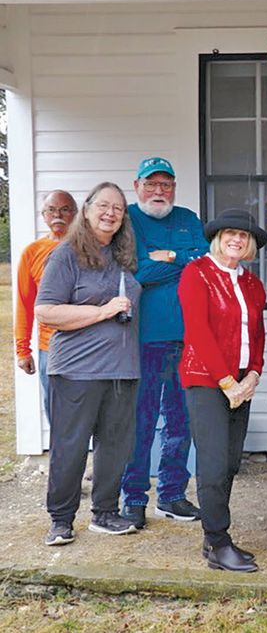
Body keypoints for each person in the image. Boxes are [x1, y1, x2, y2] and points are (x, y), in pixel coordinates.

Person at [35, 182, 143, 545]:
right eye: (103, 206)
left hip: (123, 369)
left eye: (118, 208)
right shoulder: (66, 255)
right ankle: (61, 520)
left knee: (114, 446)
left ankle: (105, 513)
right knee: (71, 446)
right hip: (77, 370)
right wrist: (101, 311)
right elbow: (46, 310)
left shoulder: (124, 256)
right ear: (87, 209)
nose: (110, 213)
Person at [120, 156, 208, 530]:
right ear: (137, 186)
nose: (159, 191)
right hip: (142, 338)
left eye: (166, 184)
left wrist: (167, 257)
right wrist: (178, 262)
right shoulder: (126, 219)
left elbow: (205, 263)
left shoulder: (187, 219)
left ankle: (172, 495)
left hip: (189, 338)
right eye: (151, 184)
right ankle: (134, 496)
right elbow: (133, 269)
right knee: (139, 420)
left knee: (180, 419)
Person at [179, 209, 267, 572]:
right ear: (218, 237)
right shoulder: (196, 274)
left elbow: (258, 333)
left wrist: (254, 374)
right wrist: (226, 381)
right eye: (230, 233)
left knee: (230, 462)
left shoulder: (252, 284)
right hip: (206, 380)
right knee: (213, 462)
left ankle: (212, 537)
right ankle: (218, 541)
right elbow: (197, 331)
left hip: (242, 383)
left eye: (244, 236)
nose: (237, 239)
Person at [15, 190, 78, 419]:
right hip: (50, 347)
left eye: (64, 209)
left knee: (91, 411)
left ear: (76, 214)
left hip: (87, 345)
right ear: (43, 215)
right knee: (57, 413)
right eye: (51, 210)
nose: (57, 215)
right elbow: (24, 302)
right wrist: (23, 350)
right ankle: (62, 456)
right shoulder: (33, 253)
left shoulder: (90, 249)